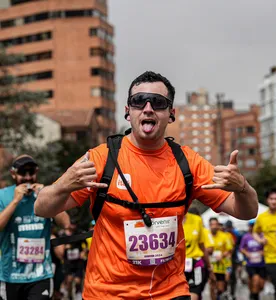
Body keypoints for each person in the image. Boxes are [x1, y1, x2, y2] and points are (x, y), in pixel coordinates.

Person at [34, 71, 258, 299]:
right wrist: (63, 184)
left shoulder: (188, 163)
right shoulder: (102, 159)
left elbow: (246, 211)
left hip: (170, 292)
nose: (148, 108)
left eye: (158, 103)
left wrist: (242, 188)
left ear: (171, 114)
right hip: (107, 292)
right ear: (127, 111)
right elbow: (42, 208)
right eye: (139, 101)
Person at [0, 155, 70, 300]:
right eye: (22, 173)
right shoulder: (3, 195)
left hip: (40, 275)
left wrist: (48, 199)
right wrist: (15, 201)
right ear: (13, 174)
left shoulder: (44, 194)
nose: (27, 178)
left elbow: (65, 223)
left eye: (31, 172)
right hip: (11, 276)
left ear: (36, 172)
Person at [183, 207, 215, 300]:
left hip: (196, 263)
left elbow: (203, 246)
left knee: (195, 292)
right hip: (177, 266)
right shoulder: (169, 219)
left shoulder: (197, 220)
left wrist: (209, 268)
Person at [239, 219, 265, 300]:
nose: (253, 227)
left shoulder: (262, 236)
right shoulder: (246, 237)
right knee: (255, 280)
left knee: (261, 285)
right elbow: (241, 248)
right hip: (250, 264)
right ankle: (254, 297)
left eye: (254, 225)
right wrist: (247, 253)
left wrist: (263, 252)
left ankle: (253, 293)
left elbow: (267, 247)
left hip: (261, 264)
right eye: (251, 226)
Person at [209, 217, 233, 300]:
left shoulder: (224, 236)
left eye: (216, 224)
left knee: (220, 288)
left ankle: (222, 295)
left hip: (221, 266)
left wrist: (222, 256)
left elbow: (229, 249)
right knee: (212, 287)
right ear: (209, 225)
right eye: (212, 224)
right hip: (210, 266)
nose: (214, 226)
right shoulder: (206, 236)